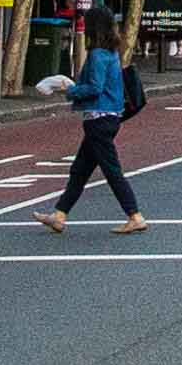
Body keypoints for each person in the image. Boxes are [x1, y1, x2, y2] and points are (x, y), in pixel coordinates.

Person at [39, 16, 148, 233]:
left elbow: (95, 87)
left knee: (112, 170)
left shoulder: (97, 55)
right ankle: (59, 215)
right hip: (109, 116)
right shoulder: (112, 53)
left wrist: (69, 90)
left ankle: (135, 216)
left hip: (98, 118)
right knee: (80, 169)